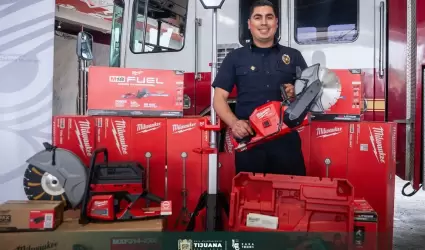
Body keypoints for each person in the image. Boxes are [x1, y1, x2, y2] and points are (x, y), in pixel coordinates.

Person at [212, 0, 308, 176]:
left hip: (285, 141)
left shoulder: (294, 56)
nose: (264, 23)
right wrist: (235, 124)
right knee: (251, 196)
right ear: (249, 24)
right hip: (250, 140)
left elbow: (309, 96)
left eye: (269, 17)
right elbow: (218, 99)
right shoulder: (234, 58)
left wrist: (296, 91)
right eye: (258, 17)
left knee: (290, 197)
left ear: (276, 23)